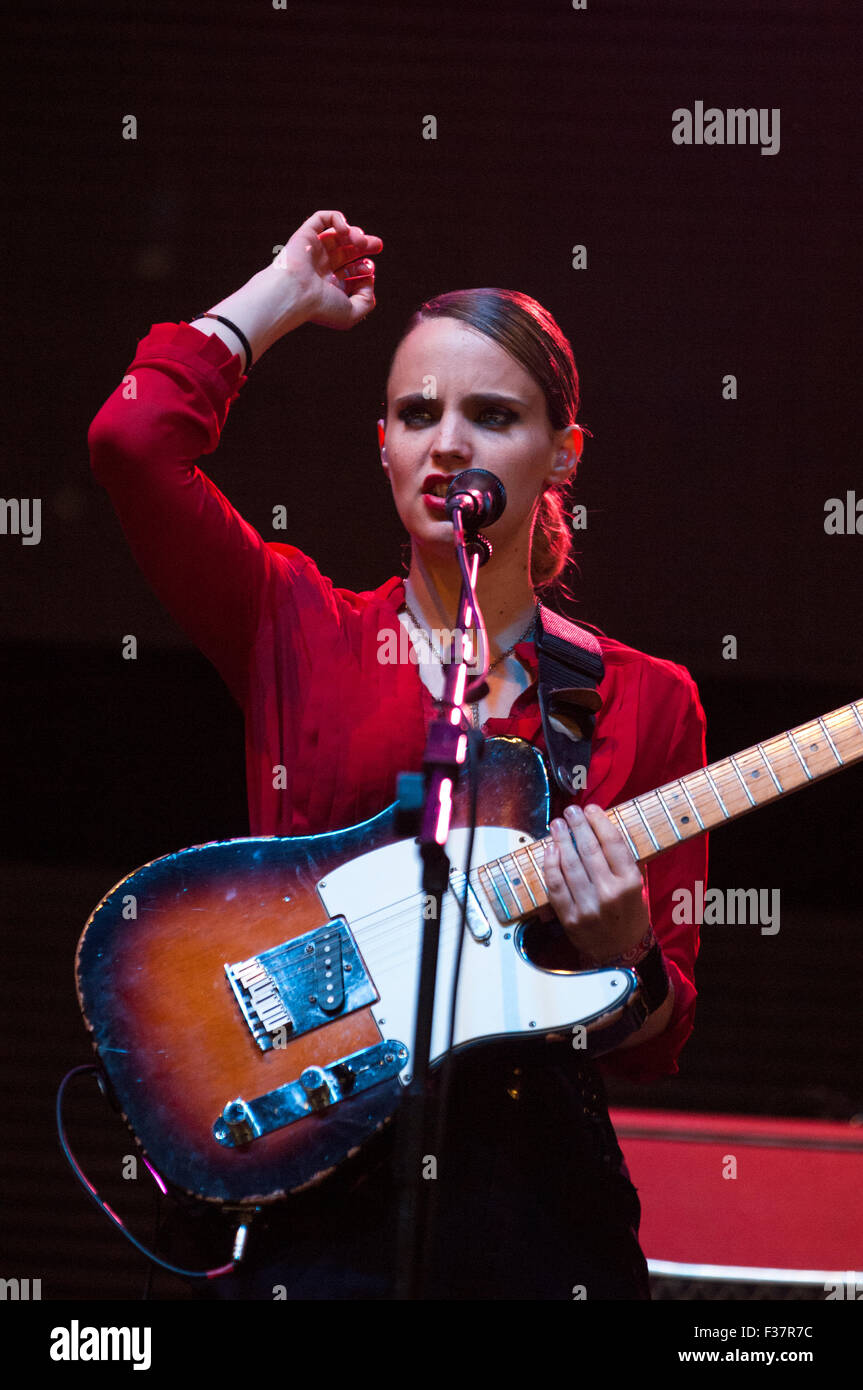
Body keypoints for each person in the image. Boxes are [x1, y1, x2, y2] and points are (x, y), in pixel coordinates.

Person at [87, 209, 707, 1300]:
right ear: (382, 446)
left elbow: (655, 1035)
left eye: (493, 415)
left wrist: (629, 954)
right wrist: (278, 295)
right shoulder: (300, 626)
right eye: (416, 414)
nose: (448, 443)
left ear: (561, 452)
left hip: (532, 1207)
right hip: (312, 1186)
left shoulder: (645, 700)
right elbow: (131, 443)